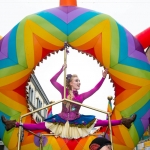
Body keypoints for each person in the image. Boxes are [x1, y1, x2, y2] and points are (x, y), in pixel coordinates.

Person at [1, 65, 136, 139]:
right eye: (77, 81)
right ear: (70, 83)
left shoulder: (81, 96)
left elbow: (95, 89)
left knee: (99, 121)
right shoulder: (64, 91)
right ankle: (12, 124)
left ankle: (125, 121)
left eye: (79, 81)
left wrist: (103, 78)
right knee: (40, 125)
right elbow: (52, 81)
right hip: (61, 119)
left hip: (76, 121)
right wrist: (61, 69)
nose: (79, 83)